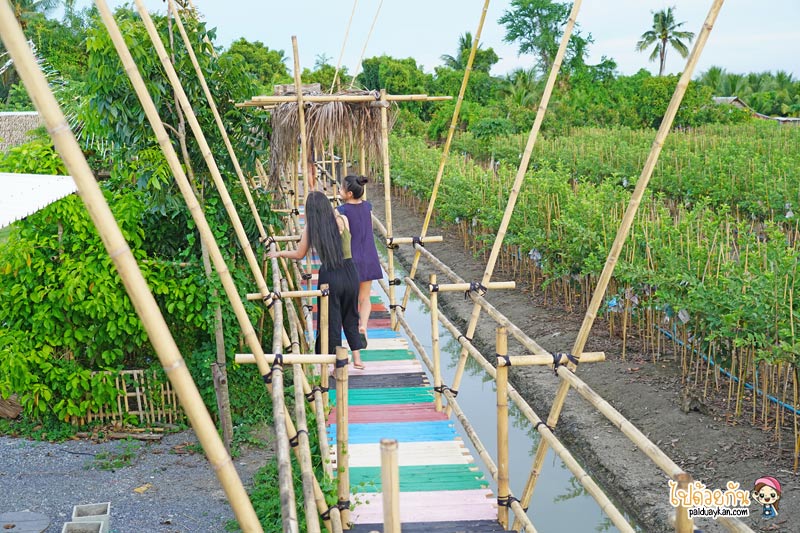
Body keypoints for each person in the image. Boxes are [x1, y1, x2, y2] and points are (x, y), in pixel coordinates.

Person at [268, 191, 365, 369]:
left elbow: (299, 254)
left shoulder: (312, 228)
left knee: (331, 321)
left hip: (330, 275)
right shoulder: (343, 219)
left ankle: (338, 366)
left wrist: (279, 252)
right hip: (351, 272)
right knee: (351, 314)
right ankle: (357, 359)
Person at [337, 175, 382, 346]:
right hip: (369, 256)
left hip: (351, 258)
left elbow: (341, 234)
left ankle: (350, 329)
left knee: (349, 297)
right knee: (365, 297)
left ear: (348, 193)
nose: (339, 191)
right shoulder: (367, 207)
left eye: (341, 189)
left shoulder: (342, 211)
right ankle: (363, 325)